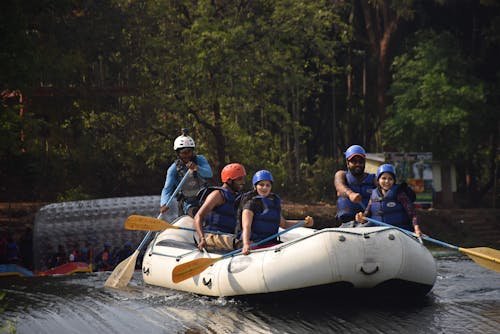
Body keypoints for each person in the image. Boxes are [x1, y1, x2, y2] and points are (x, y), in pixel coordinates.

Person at [239, 170, 313, 255]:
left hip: (271, 244)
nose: (265, 188)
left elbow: (284, 224)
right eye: (261, 185)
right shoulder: (250, 204)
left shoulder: (273, 203)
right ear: (255, 186)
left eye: (268, 185)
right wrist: (246, 244)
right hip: (255, 244)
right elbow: (246, 227)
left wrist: (304, 223)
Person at [355, 164, 422, 237]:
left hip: (399, 233)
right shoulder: (373, 195)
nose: (387, 181)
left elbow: (412, 214)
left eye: (390, 179)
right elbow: (366, 216)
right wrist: (361, 218)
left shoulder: (400, 194)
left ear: (394, 180)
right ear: (378, 180)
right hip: (379, 233)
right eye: (383, 178)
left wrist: (417, 229)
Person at [160, 128, 213, 217]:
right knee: (196, 213)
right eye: (183, 153)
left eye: (189, 152)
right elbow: (167, 189)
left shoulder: (200, 160)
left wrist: (197, 168)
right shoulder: (173, 169)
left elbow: (209, 173)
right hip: (188, 204)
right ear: (178, 153)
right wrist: (164, 203)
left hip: (204, 199)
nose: (187, 155)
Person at [194, 163, 247, 251]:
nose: (243, 182)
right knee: (243, 245)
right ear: (229, 181)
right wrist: (202, 238)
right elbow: (198, 217)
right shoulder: (217, 195)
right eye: (239, 179)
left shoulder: (237, 197)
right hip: (212, 236)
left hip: (230, 236)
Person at [334, 145, 377, 225]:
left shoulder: (373, 178)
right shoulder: (341, 175)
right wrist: (350, 194)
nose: (358, 164)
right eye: (354, 161)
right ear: (347, 163)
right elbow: (339, 186)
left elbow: (384, 191)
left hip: (368, 223)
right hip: (346, 223)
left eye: (361, 162)